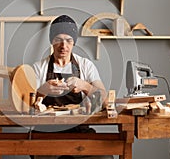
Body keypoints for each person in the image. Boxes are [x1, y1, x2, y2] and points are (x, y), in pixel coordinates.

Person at [32, 15, 112, 159]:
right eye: (58, 40)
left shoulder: (85, 66)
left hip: (79, 131)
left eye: (68, 40)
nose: (64, 46)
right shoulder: (39, 68)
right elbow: (25, 106)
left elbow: (105, 101)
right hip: (46, 132)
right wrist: (42, 91)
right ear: (51, 41)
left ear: (74, 42)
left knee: (104, 157)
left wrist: (85, 86)